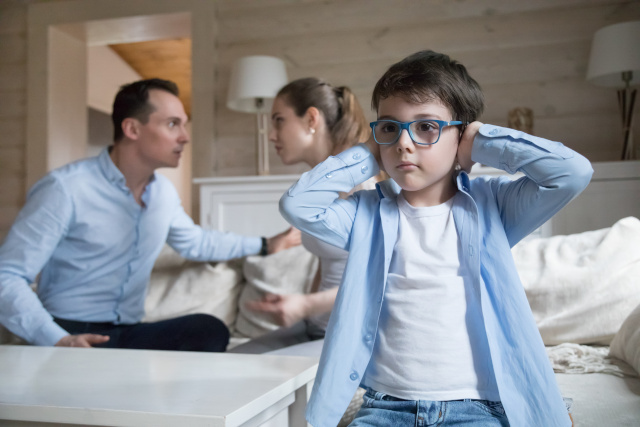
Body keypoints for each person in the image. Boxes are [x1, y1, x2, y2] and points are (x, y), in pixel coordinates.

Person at [279, 51, 592, 426]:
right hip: (386, 407)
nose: (404, 143)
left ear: (460, 134)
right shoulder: (365, 214)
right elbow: (298, 205)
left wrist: (483, 141)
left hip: (475, 408)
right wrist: (368, 154)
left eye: (426, 126)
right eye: (391, 127)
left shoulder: (494, 205)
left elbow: (571, 173)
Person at [0, 78, 300, 352]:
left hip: (126, 334)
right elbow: (7, 275)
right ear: (132, 129)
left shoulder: (163, 194)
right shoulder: (65, 189)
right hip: (71, 331)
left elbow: (196, 242)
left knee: (208, 330)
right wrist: (57, 339)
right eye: (173, 124)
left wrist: (266, 245)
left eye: (184, 125)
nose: (184, 137)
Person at [230, 77, 376, 354]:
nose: (271, 134)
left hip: (347, 335)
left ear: (311, 119)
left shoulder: (358, 184)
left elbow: (375, 281)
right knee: (230, 362)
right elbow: (325, 262)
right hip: (315, 327)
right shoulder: (316, 184)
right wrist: (299, 307)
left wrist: (305, 305)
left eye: (279, 120)